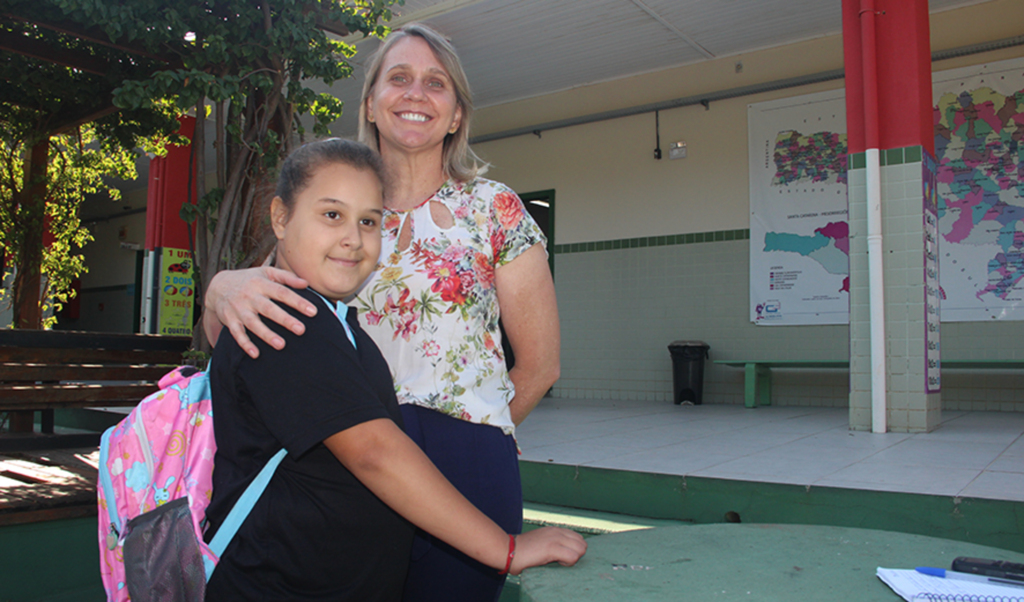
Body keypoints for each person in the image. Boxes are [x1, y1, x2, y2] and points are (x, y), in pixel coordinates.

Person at [204, 25, 561, 601]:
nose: (416, 93)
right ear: (370, 103)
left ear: (455, 115)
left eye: (435, 84)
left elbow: (540, 366)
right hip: (340, 456)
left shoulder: (495, 209)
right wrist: (219, 289)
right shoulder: (331, 211)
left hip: (467, 459)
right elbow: (250, 332)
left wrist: (471, 436)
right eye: (399, 78)